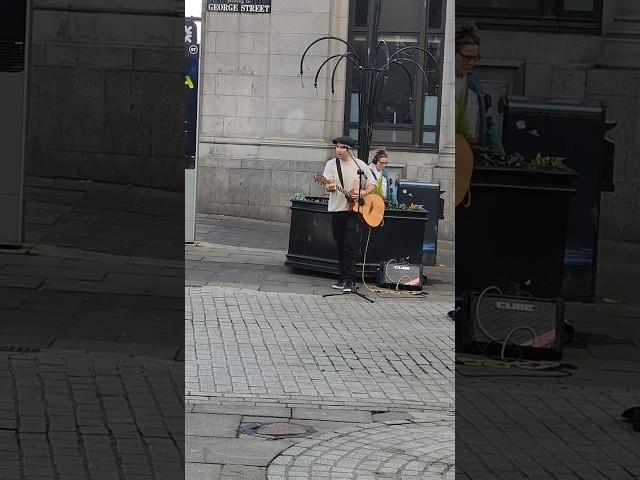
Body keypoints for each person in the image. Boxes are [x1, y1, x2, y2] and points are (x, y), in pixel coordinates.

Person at [322, 136, 376, 293]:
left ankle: (350, 281)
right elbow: (328, 183)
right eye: (337, 147)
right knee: (340, 246)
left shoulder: (360, 165)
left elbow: (372, 183)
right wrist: (330, 187)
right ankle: (342, 278)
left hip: (354, 212)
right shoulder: (331, 164)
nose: (339, 150)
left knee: (351, 247)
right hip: (337, 210)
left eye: (342, 147)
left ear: (349, 149)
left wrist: (363, 192)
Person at [455, 24, 505, 155]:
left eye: (475, 58)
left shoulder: (473, 81)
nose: (471, 63)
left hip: (473, 147)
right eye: (466, 58)